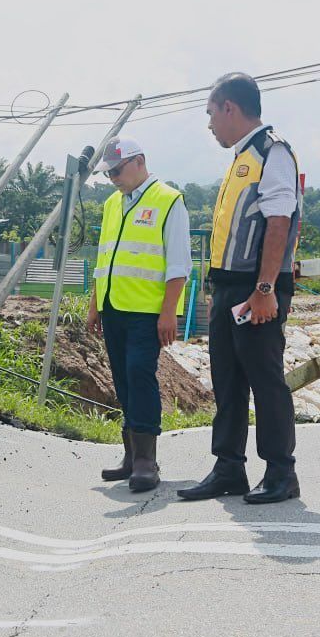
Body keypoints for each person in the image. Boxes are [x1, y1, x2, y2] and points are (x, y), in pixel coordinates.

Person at [178, 72, 303, 505]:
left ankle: (280, 472)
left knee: (265, 379)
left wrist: (265, 288)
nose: (210, 124)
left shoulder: (273, 152)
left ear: (230, 107)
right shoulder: (242, 157)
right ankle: (229, 467)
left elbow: (279, 222)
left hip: (257, 290)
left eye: (211, 113)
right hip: (229, 289)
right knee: (227, 380)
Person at [86, 138, 190, 493]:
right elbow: (104, 258)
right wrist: (95, 303)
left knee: (139, 374)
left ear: (139, 162)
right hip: (114, 307)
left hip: (148, 312)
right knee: (122, 378)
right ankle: (130, 455)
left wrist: (169, 312)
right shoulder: (113, 204)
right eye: (108, 172)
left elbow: (179, 264)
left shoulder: (168, 200)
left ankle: (147, 460)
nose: (112, 177)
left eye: (117, 170)